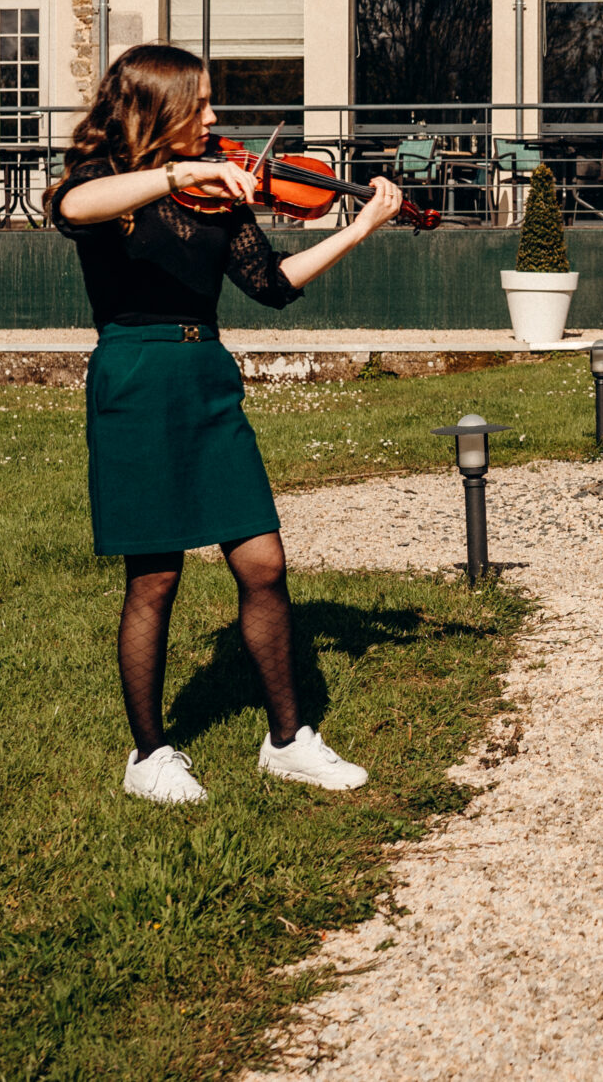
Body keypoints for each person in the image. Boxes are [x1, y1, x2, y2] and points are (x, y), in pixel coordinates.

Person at [47, 45, 404, 805]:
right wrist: (184, 173)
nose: (214, 120)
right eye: (201, 105)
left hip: (206, 375)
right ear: (159, 107)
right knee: (155, 577)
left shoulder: (221, 187)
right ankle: (149, 755)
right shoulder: (107, 179)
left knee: (263, 560)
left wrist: (361, 227)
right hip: (135, 377)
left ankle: (289, 741)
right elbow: (71, 209)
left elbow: (271, 285)